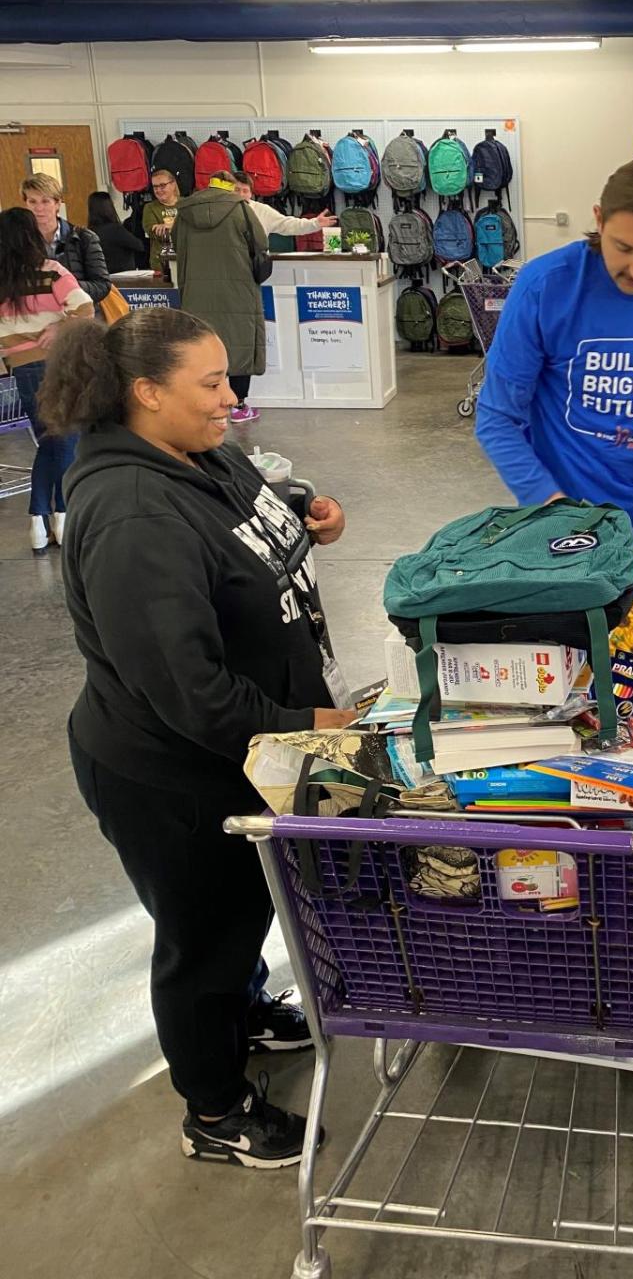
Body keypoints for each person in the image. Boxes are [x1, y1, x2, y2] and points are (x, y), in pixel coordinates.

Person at [39, 307, 358, 1167]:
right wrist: (307, 727)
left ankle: (244, 1011)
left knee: (243, 910)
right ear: (146, 393)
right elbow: (191, 695)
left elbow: (245, 512)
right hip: (173, 777)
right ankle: (214, 1111)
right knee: (202, 939)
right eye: (210, 384)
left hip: (239, 759)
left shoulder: (193, 450)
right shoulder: (133, 515)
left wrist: (304, 517)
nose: (230, 398)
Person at [476, 155, 633, 612]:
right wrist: (550, 508)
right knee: (579, 680)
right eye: (624, 247)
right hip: (567, 535)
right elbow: (496, 418)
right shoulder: (546, 286)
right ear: (598, 219)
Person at [0, 206, 94, 551]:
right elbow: (85, 309)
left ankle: (38, 522)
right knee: (65, 440)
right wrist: (57, 327)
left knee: (49, 441)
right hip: (59, 365)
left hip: (22, 369)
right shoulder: (51, 272)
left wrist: (15, 343)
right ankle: (63, 516)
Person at [173, 178, 269, 424]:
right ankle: (238, 405)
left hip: (195, 289)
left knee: (200, 344)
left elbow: (176, 245)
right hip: (238, 288)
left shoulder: (183, 213)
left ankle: (204, 403)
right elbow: (260, 243)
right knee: (240, 340)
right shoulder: (241, 209)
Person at [22, 172, 112, 305]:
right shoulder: (17, 241)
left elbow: (102, 285)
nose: (39, 208)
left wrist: (64, 287)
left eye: (45, 201)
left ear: (58, 203)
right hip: (36, 317)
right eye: (32, 201)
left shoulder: (85, 238)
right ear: (26, 204)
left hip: (77, 316)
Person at [227, 170, 336, 239]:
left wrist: (315, 223)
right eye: (236, 190)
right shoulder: (218, 210)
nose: (240, 194)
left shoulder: (262, 210)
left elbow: (288, 224)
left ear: (251, 194)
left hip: (253, 268)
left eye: (245, 191)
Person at [88, 189, 145, 273]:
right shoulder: (115, 229)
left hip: (102, 276)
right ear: (109, 207)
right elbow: (139, 246)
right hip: (123, 275)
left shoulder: (89, 232)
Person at [145, 167, 180, 276]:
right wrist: (178, 226)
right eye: (155, 187)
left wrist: (166, 226)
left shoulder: (186, 204)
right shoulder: (150, 208)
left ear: (173, 184)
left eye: (162, 186)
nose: (158, 190)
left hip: (185, 261)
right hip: (160, 265)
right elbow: (154, 232)